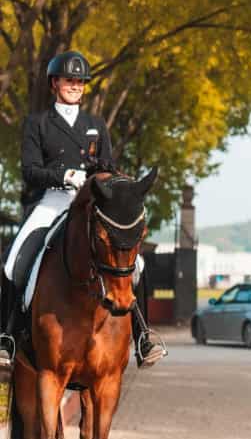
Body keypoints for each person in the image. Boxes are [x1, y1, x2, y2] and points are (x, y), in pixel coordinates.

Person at [0, 51, 164, 370]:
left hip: (89, 204)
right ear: (55, 83)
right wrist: (64, 176)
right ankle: (6, 336)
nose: (75, 86)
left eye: (80, 81)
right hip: (52, 200)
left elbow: (109, 167)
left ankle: (143, 336)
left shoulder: (95, 125)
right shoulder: (38, 123)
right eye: (69, 80)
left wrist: (107, 182)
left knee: (137, 263)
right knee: (13, 262)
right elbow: (30, 170)